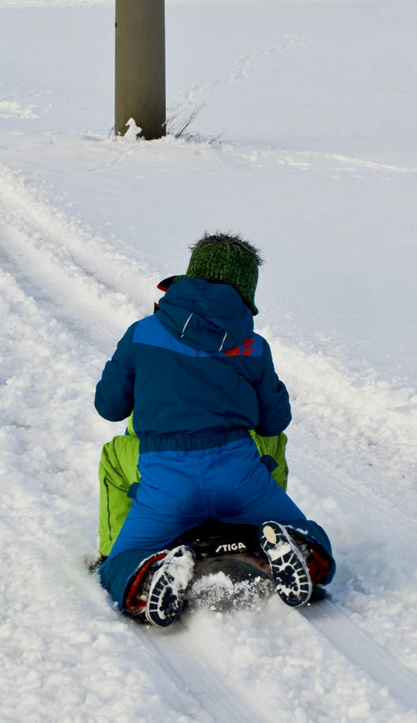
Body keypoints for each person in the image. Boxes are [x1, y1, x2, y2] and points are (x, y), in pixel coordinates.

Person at [94, 233, 335, 626]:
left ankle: (145, 572)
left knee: (118, 545)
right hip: (240, 479)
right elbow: (274, 422)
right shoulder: (253, 345)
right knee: (306, 524)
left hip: (166, 484)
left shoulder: (142, 332)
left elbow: (109, 407)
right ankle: (291, 543)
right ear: (246, 294)